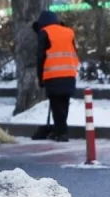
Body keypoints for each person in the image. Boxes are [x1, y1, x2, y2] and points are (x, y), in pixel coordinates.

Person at [33, 10, 79, 142]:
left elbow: (40, 56)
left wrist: (40, 77)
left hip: (52, 74)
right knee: (64, 104)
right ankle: (59, 131)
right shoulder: (69, 31)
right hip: (70, 73)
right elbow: (74, 51)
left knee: (55, 104)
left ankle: (61, 132)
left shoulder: (44, 32)